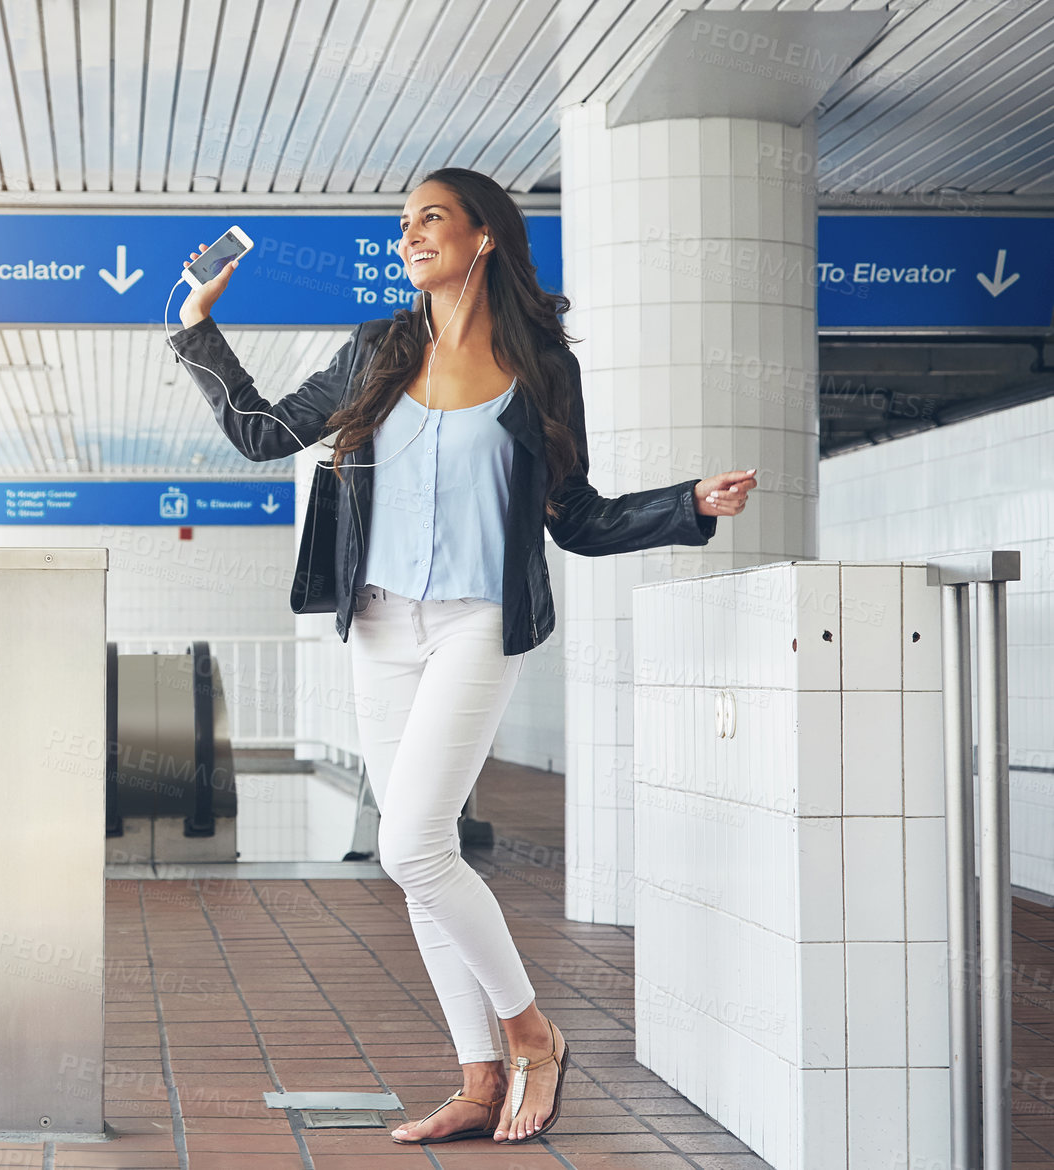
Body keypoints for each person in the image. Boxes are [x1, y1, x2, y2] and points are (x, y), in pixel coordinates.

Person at [164, 167, 757, 1146]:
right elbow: (264, 434)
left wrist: (683, 505)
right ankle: (478, 1079)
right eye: (403, 225)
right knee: (422, 860)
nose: (410, 235)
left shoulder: (541, 368)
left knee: (408, 842)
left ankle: (530, 1032)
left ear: (484, 237)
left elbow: (575, 515)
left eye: (430, 218)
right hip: (381, 625)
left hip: (478, 621)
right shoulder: (374, 351)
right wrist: (198, 328)